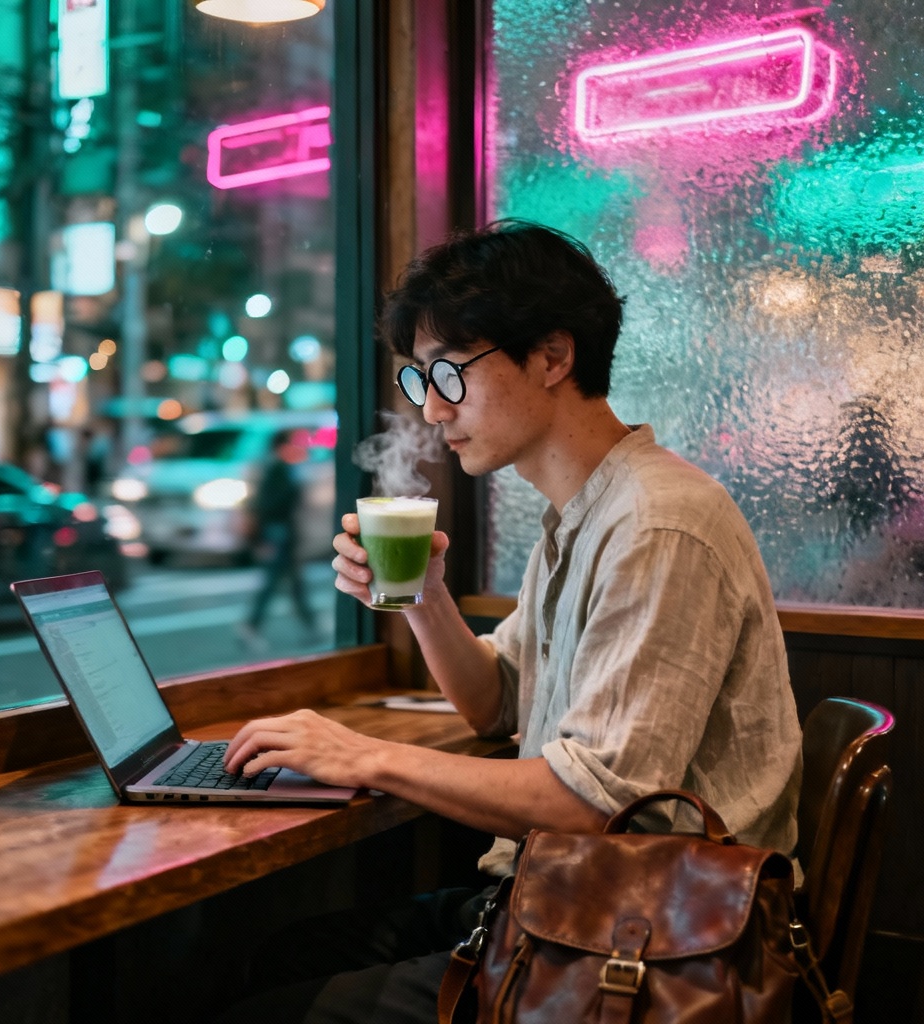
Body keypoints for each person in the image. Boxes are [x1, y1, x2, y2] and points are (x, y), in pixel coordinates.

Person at [215, 220, 803, 1023]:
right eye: (417, 379)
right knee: (282, 955)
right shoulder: (580, 513)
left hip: (652, 937)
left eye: (448, 373)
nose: (429, 408)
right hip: (570, 897)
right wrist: (423, 595)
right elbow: (496, 702)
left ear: (553, 356)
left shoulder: (657, 523)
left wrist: (361, 755)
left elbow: (590, 804)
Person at [235, 428, 318, 647]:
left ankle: (310, 625)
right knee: (275, 583)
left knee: (293, 583)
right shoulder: (276, 470)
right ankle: (251, 626)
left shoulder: (283, 469)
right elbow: (267, 505)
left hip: (283, 533)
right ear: (282, 447)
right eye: (294, 444)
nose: (299, 448)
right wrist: (263, 538)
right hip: (277, 533)